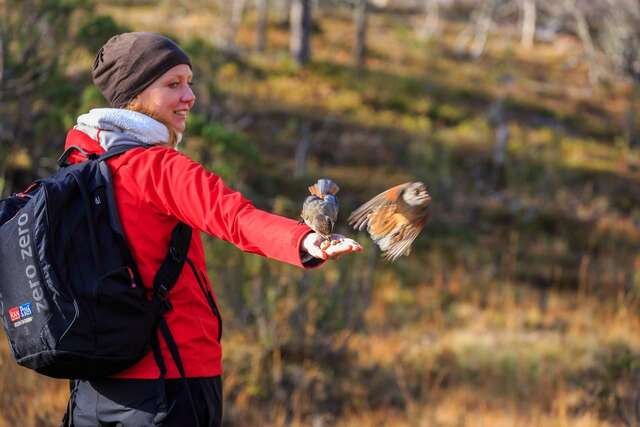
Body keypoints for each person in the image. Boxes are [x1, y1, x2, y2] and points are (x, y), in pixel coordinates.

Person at [62, 32, 362, 427]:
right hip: (171, 383)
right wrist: (306, 240)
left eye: (189, 82)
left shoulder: (76, 162)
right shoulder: (158, 167)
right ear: (133, 95)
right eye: (173, 84)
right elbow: (234, 217)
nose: (190, 96)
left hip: (90, 386)